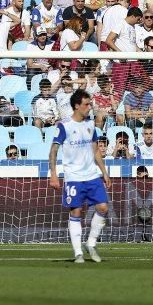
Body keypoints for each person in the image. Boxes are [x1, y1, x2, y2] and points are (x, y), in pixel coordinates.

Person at [49, 90, 112, 264]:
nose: (89, 106)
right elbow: (53, 151)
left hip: (92, 175)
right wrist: (53, 175)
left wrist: (104, 172)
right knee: (76, 211)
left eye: (90, 103)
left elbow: (95, 150)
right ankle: (78, 252)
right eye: (86, 104)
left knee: (103, 208)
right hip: (74, 177)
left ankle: (90, 243)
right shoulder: (64, 125)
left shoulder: (91, 125)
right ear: (77, 106)